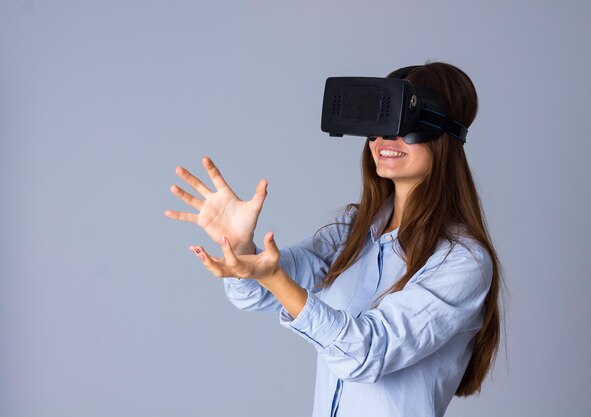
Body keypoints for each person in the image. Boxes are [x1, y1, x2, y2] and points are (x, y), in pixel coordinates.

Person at [164, 61, 502, 417]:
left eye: (403, 123)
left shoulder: (462, 262)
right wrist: (242, 249)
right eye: (379, 123)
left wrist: (272, 276)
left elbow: (366, 352)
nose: (385, 139)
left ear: (442, 132)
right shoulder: (352, 231)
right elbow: (261, 293)